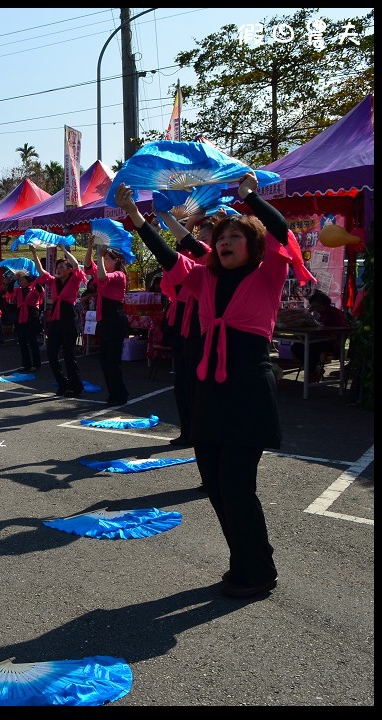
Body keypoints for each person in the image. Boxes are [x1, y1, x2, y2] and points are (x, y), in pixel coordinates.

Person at [115, 171, 313, 599]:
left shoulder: (268, 274)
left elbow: (279, 230)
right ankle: (246, 559)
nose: (223, 242)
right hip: (210, 393)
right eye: (220, 237)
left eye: (234, 237)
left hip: (248, 391)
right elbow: (171, 257)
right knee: (217, 485)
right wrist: (135, 216)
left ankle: (258, 568)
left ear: (253, 245)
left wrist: (251, 199)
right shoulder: (207, 279)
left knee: (238, 484)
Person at [155, 211, 214, 447]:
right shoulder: (189, 258)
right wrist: (189, 218)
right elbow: (180, 248)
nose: (201, 242)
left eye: (206, 239)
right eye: (200, 238)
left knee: (202, 384)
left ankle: (201, 432)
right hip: (182, 320)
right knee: (183, 381)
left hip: (203, 322)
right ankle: (187, 430)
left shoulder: (212, 262)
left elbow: (189, 244)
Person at [32, 244, 85, 396]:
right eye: (57, 267)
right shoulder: (53, 281)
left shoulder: (75, 279)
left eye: (62, 267)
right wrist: (34, 253)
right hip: (55, 318)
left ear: (68, 270)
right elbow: (41, 271)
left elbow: (76, 265)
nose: (59, 269)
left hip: (68, 317)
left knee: (69, 356)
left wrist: (65, 251)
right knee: (51, 354)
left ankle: (76, 387)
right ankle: (62, 383)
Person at [85, 235, 130, 405]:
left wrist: (99, 253)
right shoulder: (102, 272)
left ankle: (120, 394)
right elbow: (88, 266)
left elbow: (102, 277)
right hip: (105, 320)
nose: (103, 260)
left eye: (107, 258)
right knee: (104, 360)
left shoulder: (119, 275)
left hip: (116, 320)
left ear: (116, 260)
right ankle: (115, 392)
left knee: (113, 361)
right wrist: (90, 247)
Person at [291, 289, 350, 382]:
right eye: (313, 306)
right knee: (296, 347)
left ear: (325, 305)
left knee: (312, 348)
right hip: (314, 338)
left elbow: (343, 329)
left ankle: (312, 372)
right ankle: (314, 370)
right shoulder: (312, 313)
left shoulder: (334, 313)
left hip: (331, 342)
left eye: (317, 306)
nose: (315, 308)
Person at [10, 270, 43, 372]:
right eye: (20, 280)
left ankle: (36, 364)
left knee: (32, 341)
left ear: (29, 280)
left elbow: (41, 292)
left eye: (23, 279)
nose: (21, 281)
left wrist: (36, 280)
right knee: (22, 341)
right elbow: (10, 292)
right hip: (20, 315)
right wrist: (14, 279)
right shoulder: (18, 290)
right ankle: (26, 364)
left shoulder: (34, 289)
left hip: (32, 315)